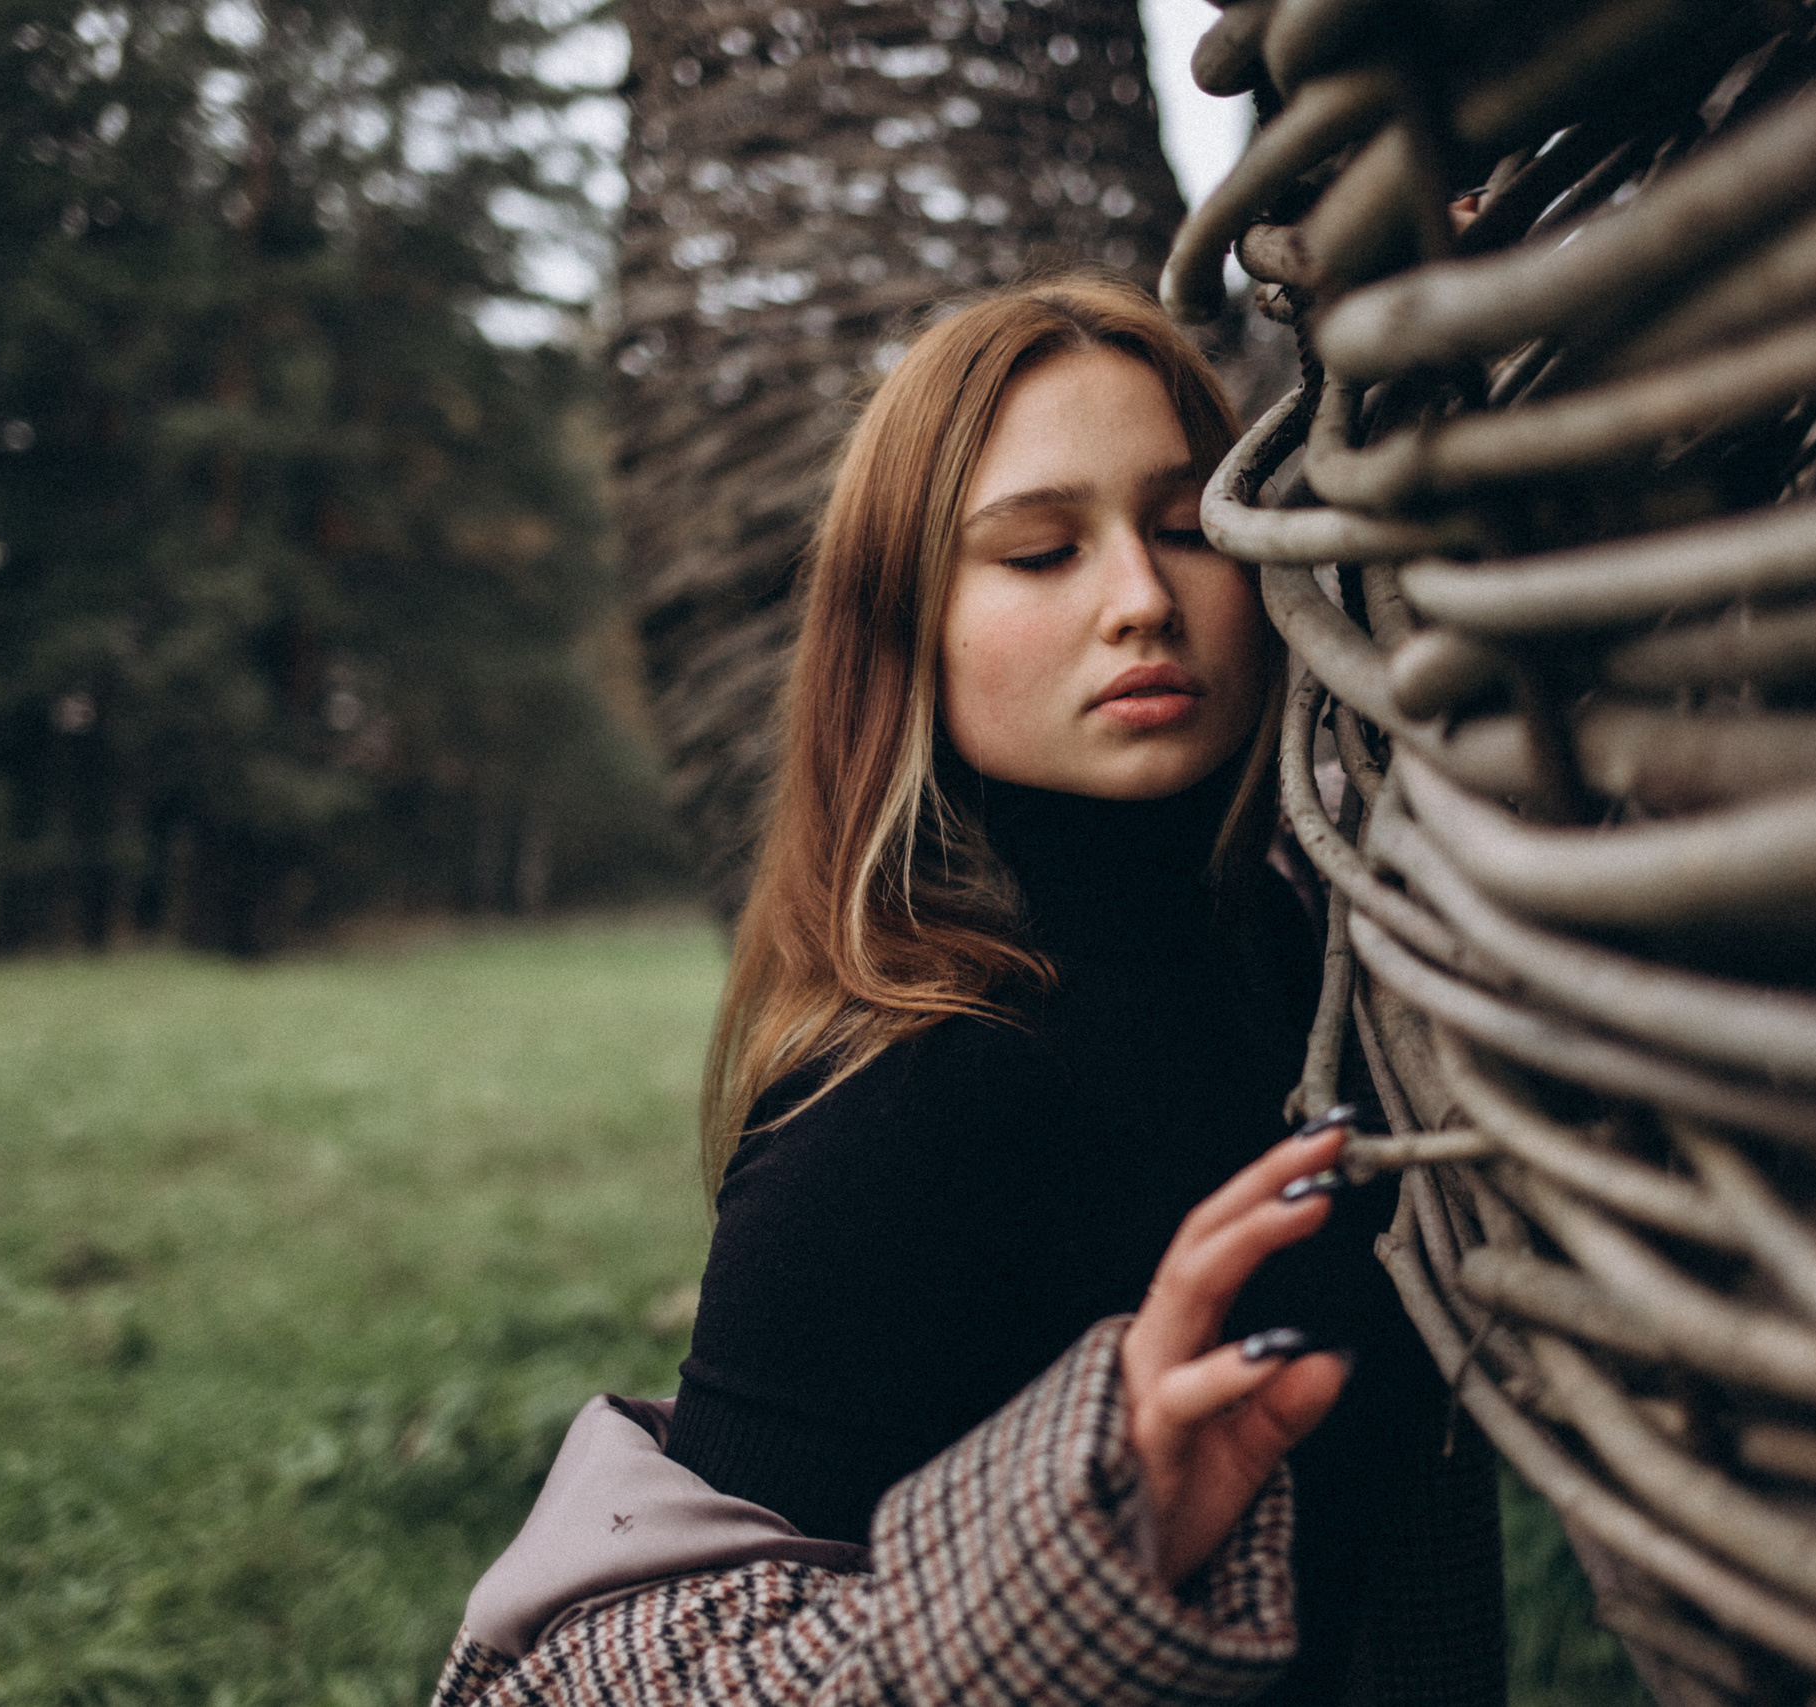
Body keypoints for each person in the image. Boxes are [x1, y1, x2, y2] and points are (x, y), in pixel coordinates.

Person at [428, 273, 1504, 1707]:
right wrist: (1075, 1557)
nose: (1141, 600)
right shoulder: (913, 1097)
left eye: (1187, 527)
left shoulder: (1342, 974)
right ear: (906, 631)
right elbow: (595, 1681)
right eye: (1040, 553)